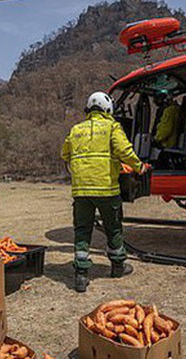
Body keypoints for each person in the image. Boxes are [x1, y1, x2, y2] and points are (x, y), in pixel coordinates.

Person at [61, 92, 148, 293]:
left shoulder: (76, 130)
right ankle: (118, 266)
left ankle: (81, 275)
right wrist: (139, 166)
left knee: (82, 230)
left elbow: (64, 153)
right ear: (107, 109)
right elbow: (124, 151)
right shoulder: (112, 127)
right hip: (107, 190)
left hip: (81, 192)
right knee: (113, 227)